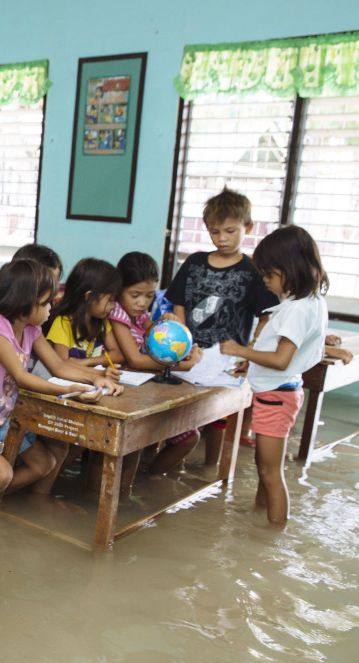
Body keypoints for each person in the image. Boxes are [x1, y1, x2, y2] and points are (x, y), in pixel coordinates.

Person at [0, 259, 122, 499]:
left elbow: (59, 366)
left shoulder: (31, 329)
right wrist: (71, 390)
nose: (50, 308)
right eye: (45, 303)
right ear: (24, 303)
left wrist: (96, 378)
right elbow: (21, 377)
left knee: (44, 463)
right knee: (1, 474)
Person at [220, 226, 328, 525]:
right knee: (263, 467)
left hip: (276, 398)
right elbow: (293, 353)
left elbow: (281, 360)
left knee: (270, 472)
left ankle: (273, 534)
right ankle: (260, 515)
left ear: (290, 269)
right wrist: (251, 364)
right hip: (280, 394)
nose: (265, 281)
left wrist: (240, 350)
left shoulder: (297, 310)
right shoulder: (311, 302)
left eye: (268, 275)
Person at [163, 188, 278, 464]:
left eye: (230, 231)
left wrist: (248, 351)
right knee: (175, 413)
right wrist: (180, 336)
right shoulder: (194, 262)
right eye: (215, 232)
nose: (222, 239)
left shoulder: (252, 272)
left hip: (224, 360)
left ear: (247, 227)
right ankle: (169, 460)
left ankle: (210, 467)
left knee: (218, 417)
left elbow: (265, 316)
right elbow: (178, 302)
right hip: (187, 353)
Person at [108, 252, 202, 483]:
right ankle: (142, 484)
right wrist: (180, 364)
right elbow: (136, 360)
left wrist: (166, 322)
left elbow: (152, 334)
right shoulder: (117, 315)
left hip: (144, 391)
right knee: (136, 447)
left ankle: (148, 482)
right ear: (120, 290)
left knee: (188, 436)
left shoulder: (139, 315)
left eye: (150, 296)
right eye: (135, 295)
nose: (142, 302)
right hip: (125, 394)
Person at [44, 258, 124, 370]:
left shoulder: (102, 322)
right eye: (110, 300)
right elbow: (62, 364)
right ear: (89, 297)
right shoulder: (63, 323)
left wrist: (86, 362)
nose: (113, 306)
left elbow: (118, 354)